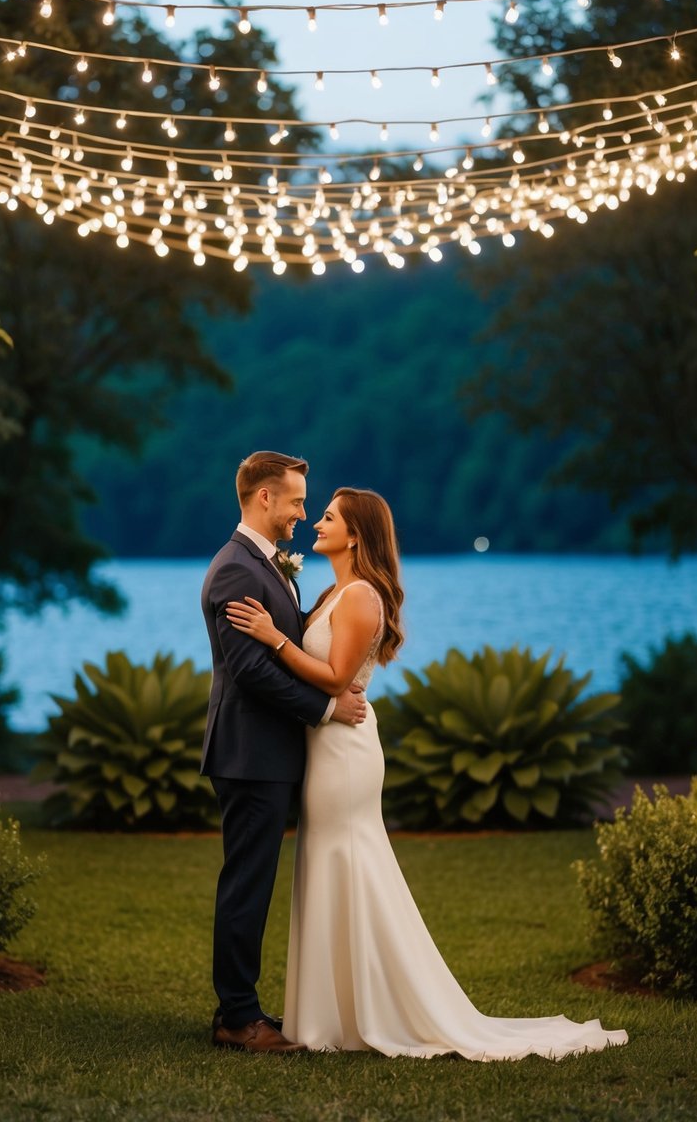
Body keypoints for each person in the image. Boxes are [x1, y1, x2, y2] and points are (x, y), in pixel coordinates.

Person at [226, 486, 629, 1060]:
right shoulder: (331, 592)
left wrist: (273, 637)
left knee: (347, 861)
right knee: (326, 862)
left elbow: (338, 678)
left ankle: (365, 1012)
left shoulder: (362, 595)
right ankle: (330, 1012)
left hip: (344, 750)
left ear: (357, 534)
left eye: (330, 516)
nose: (316, 521)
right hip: (325, 746)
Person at [200, 452, 367, 1055]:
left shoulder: (268, 565)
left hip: (268, 755)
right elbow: (248, 672)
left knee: (255, 882)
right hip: (250, 754)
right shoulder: (236, 572)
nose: (303, 512)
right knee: (247, 885)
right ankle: (237, 1018)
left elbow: (283, 649)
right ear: (264, 498)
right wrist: (324, 710)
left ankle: (243, 1007)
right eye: (296, 501)